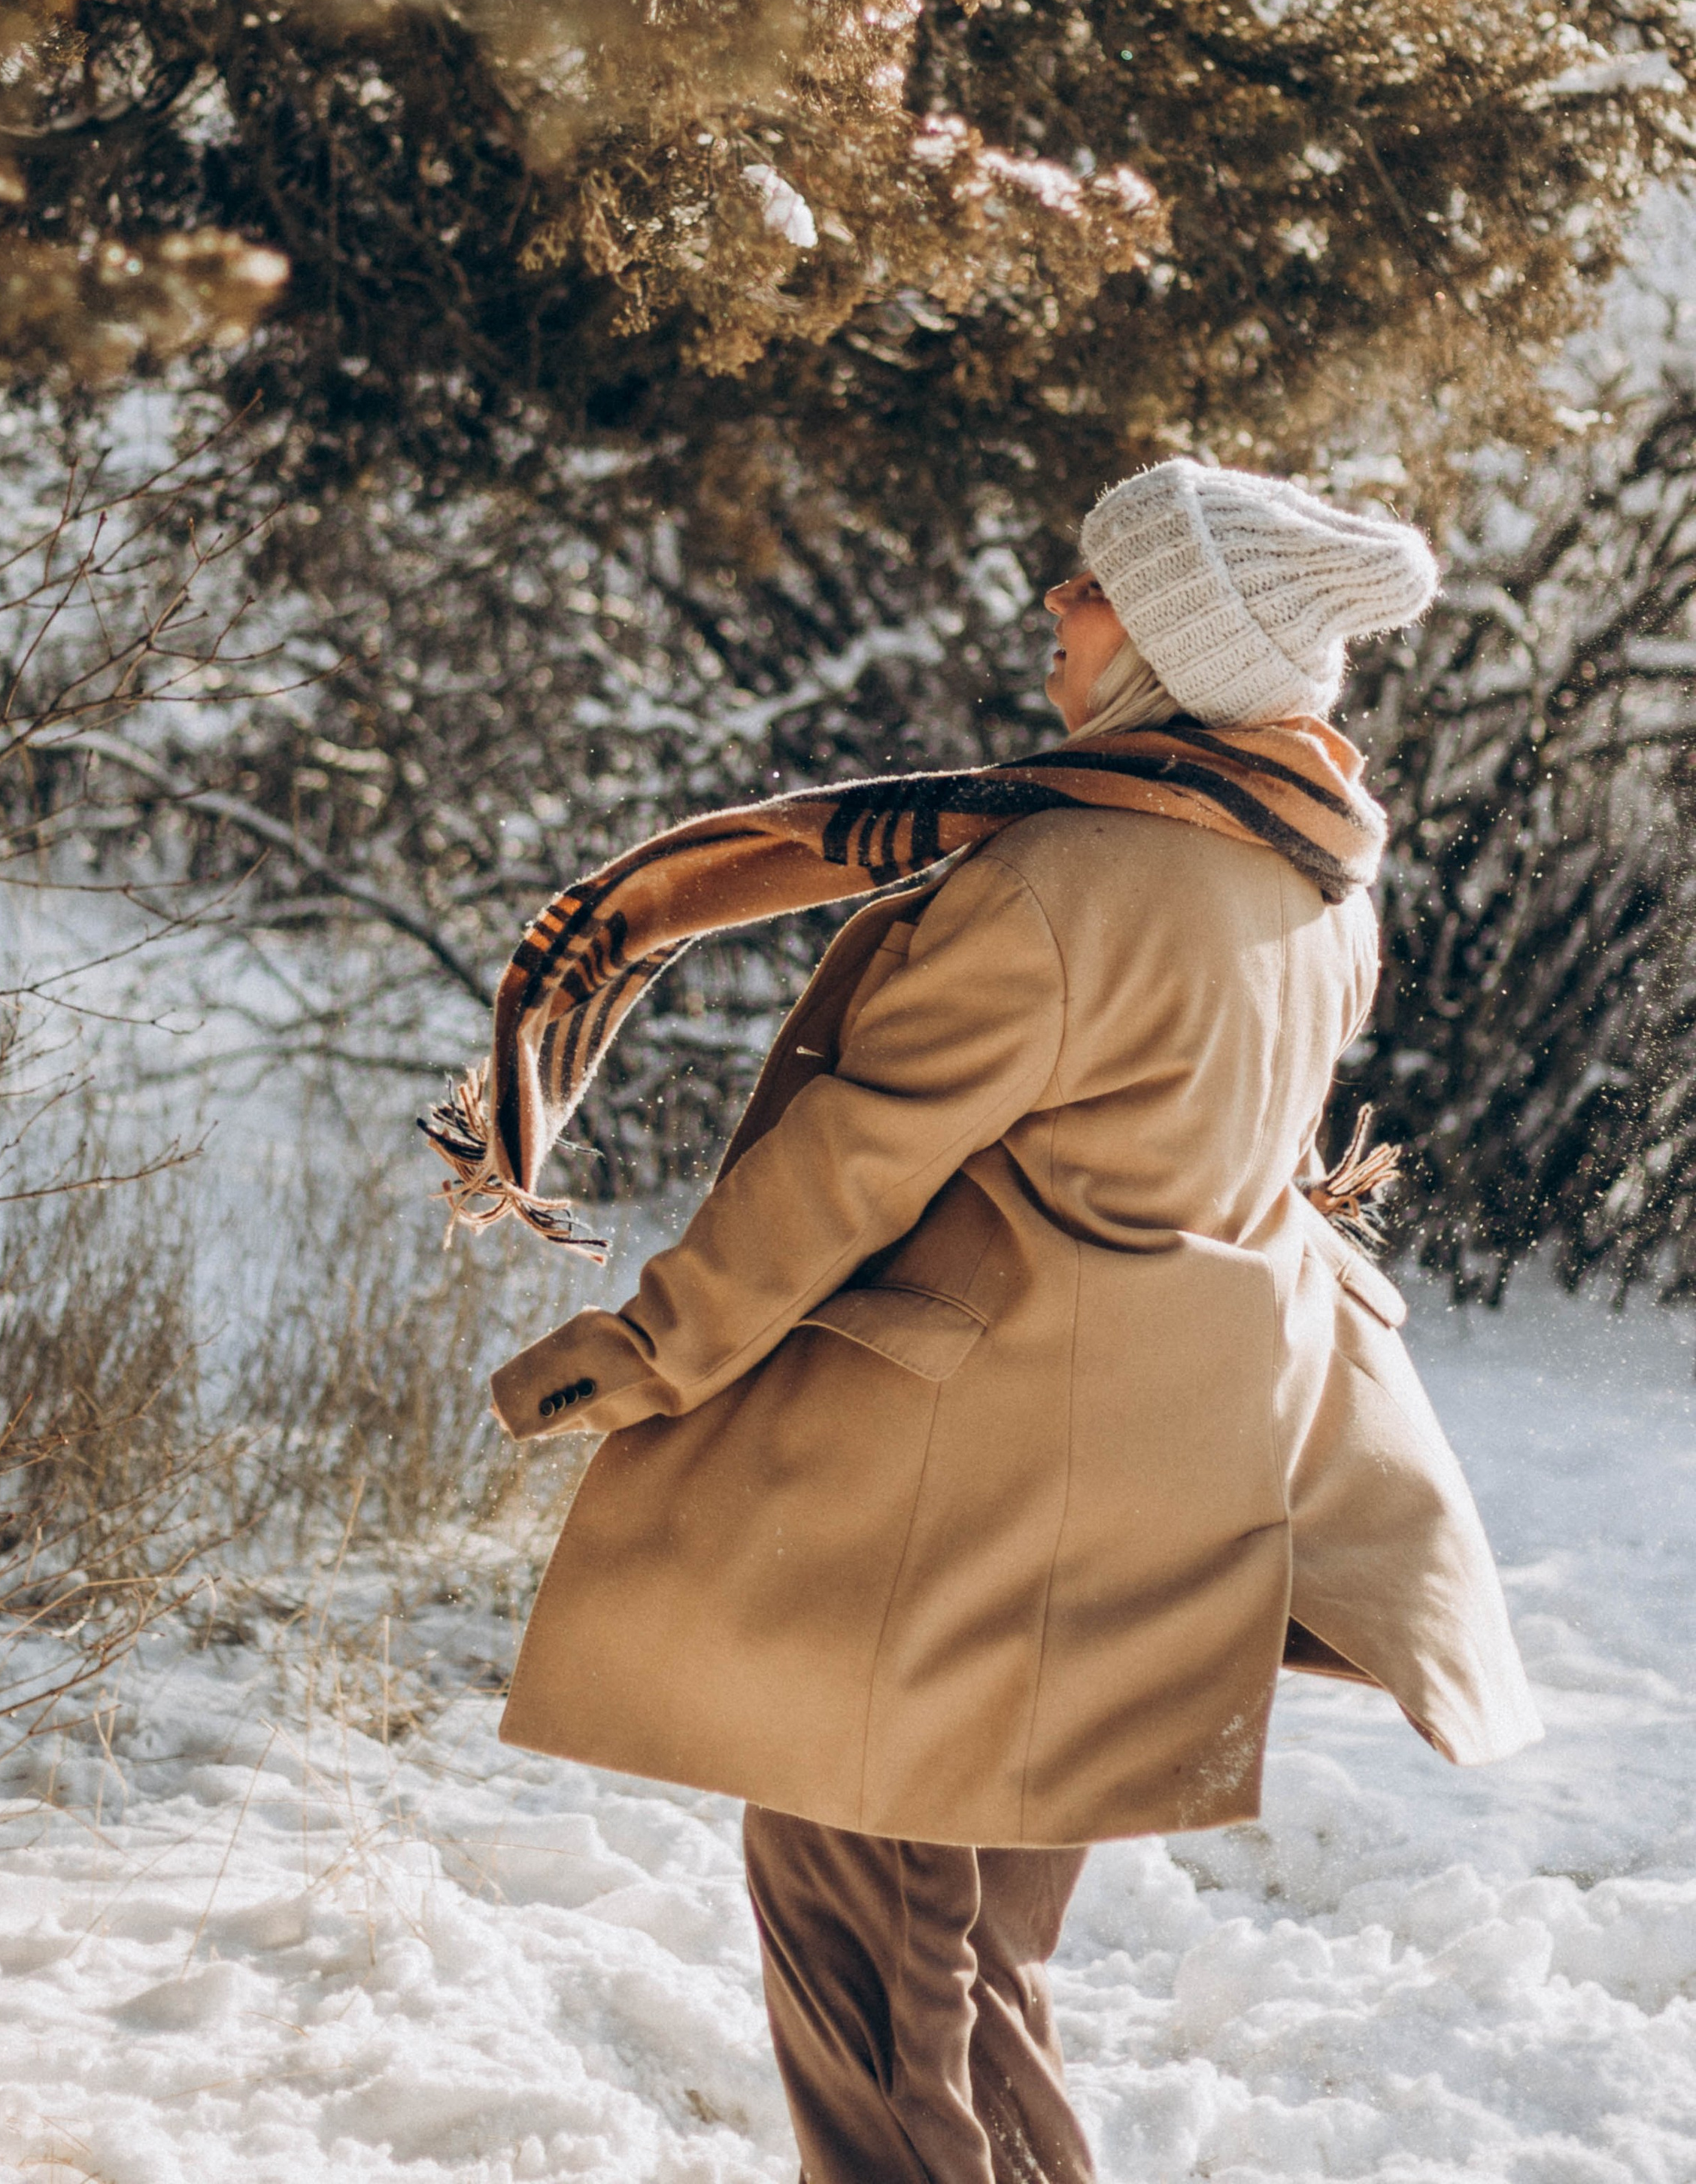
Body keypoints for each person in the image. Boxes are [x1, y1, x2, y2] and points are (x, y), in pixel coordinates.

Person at [426, 459, 1542, 2184]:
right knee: (970, 1970)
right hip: (1162, 1492)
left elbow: (849, 1164)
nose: (1055, 609)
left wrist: (649, 1349)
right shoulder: (1316, 881)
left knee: (874, 1958)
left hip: (979, 1503)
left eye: (1093, 589)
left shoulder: (1057, 881)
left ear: (1171, 646)